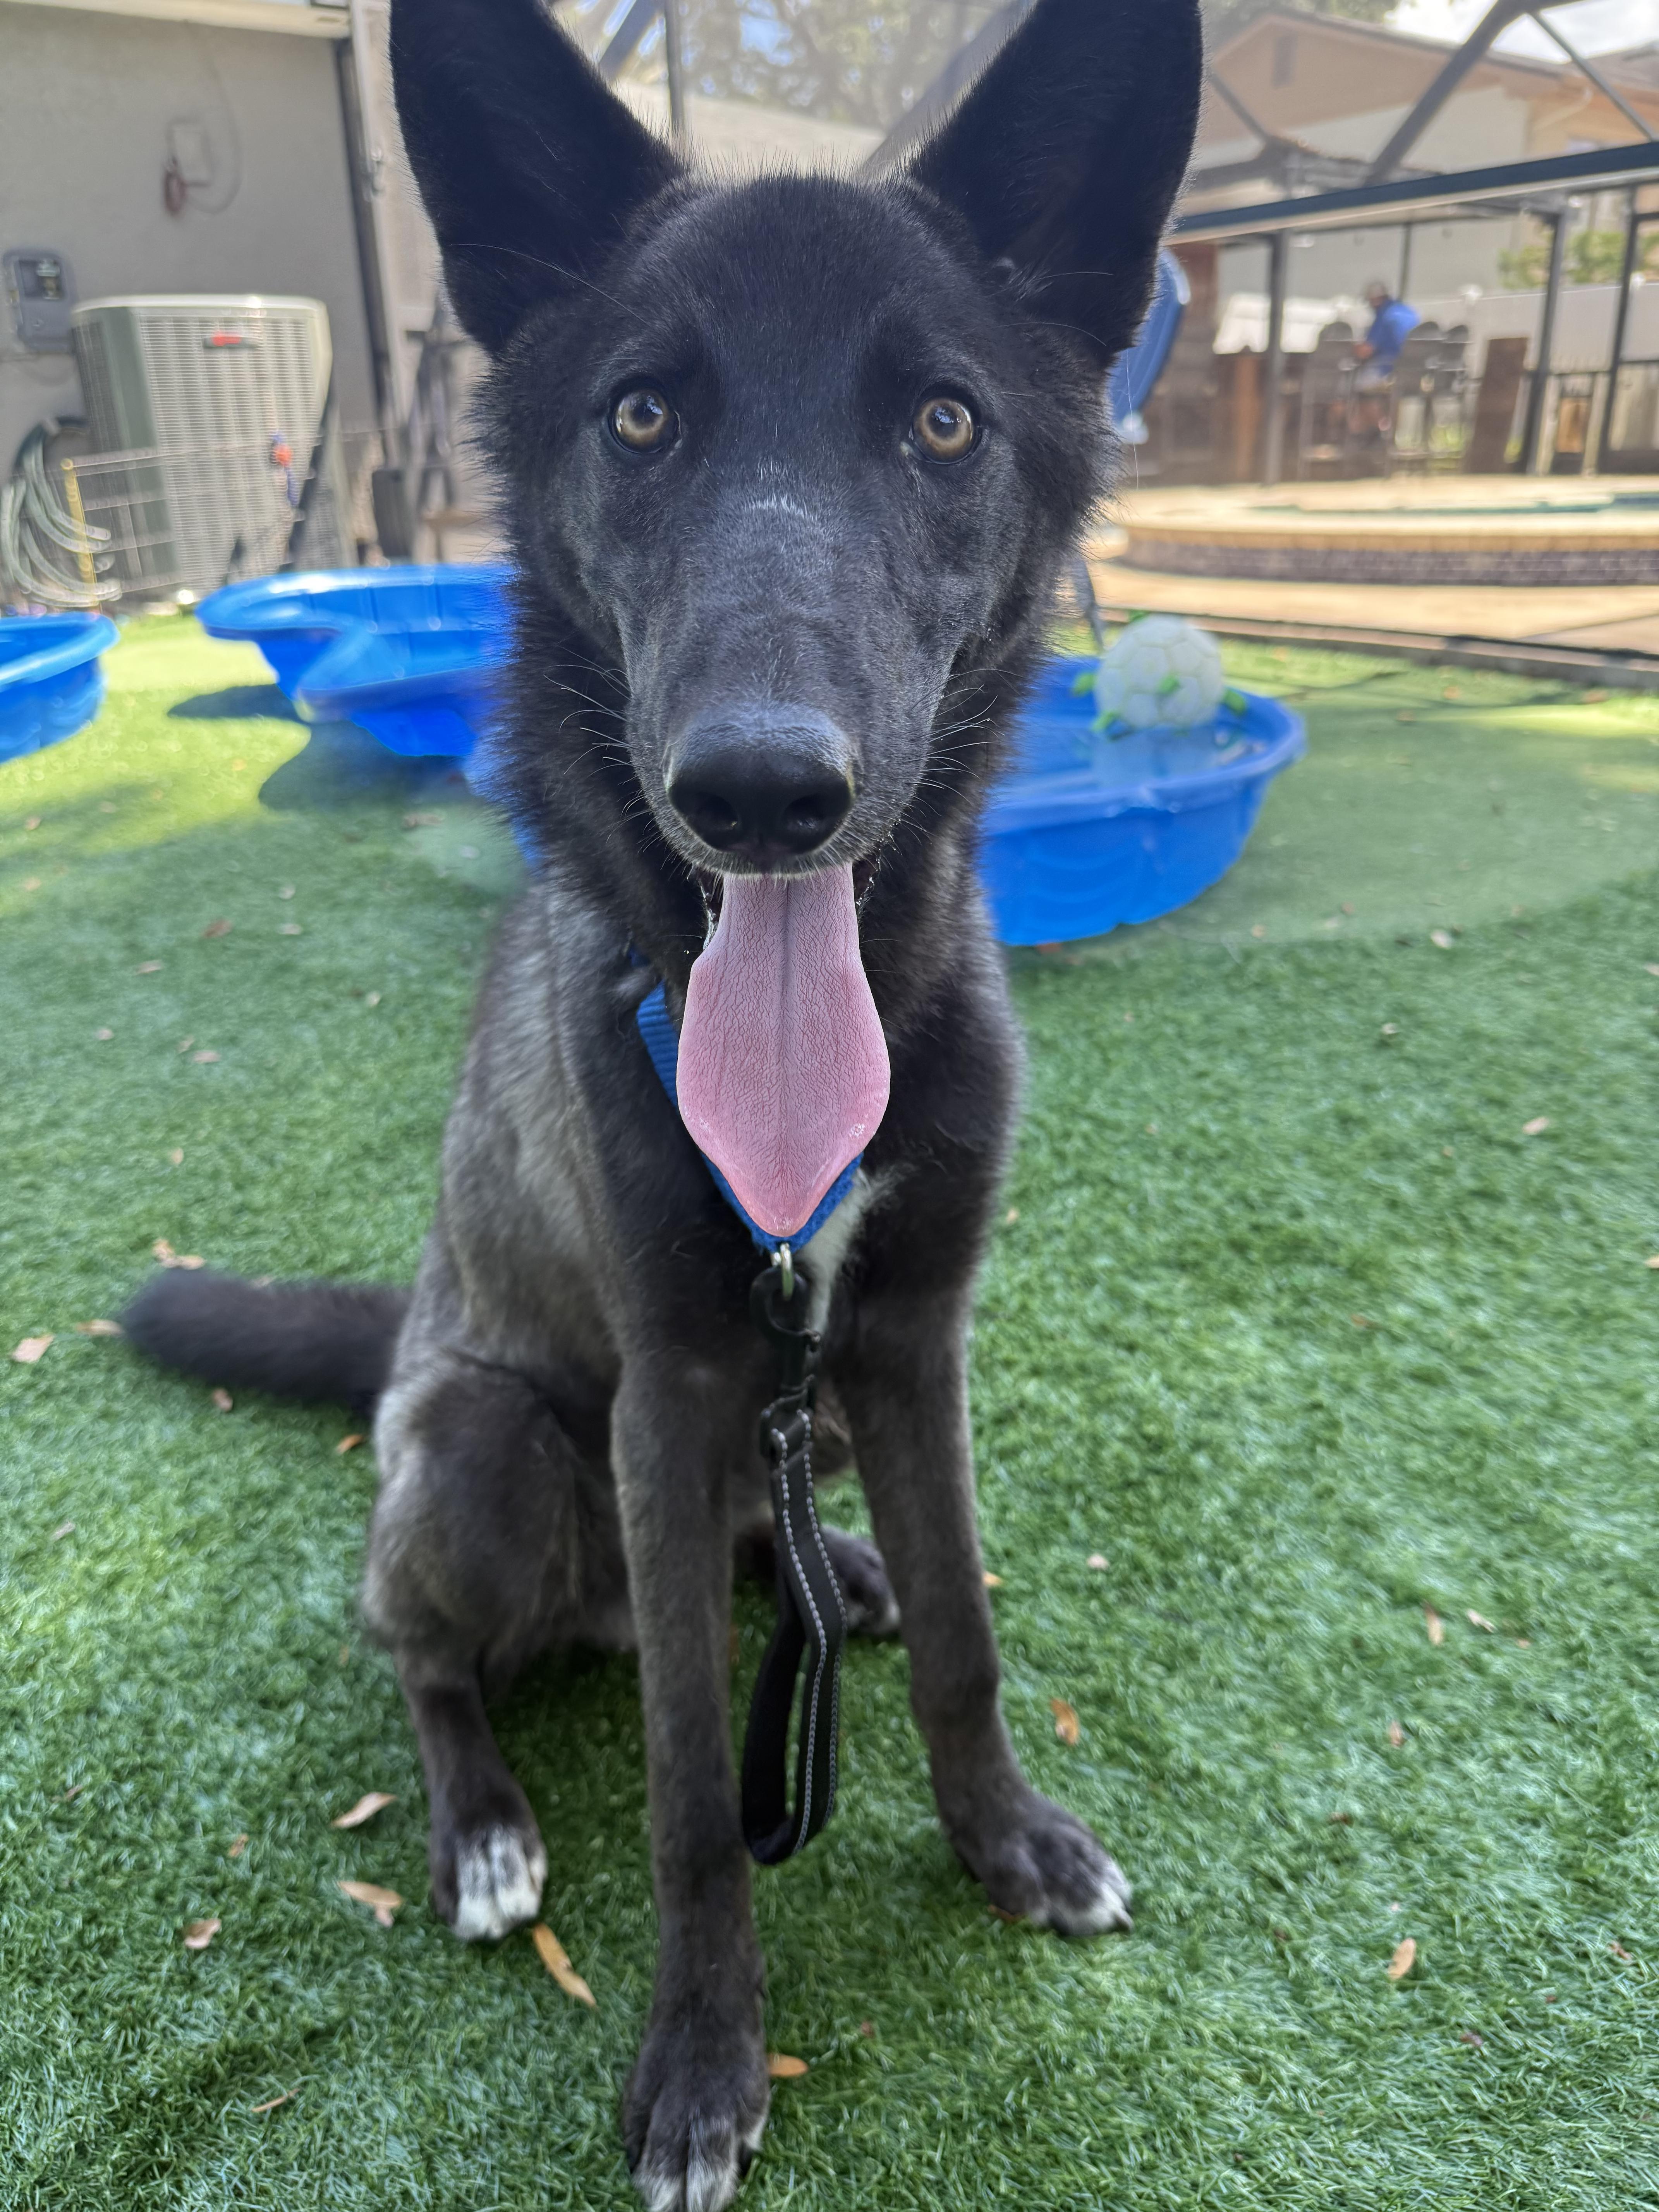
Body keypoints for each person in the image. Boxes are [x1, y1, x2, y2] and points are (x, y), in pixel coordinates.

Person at [1353, 279, 1419, 390]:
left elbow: (1366, 351)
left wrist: (1346, 349)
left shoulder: (1385, 315)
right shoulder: (1408, 311)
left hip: (1389, 367)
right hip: (1414, 368)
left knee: (1354, 386)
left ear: (1375, 300)